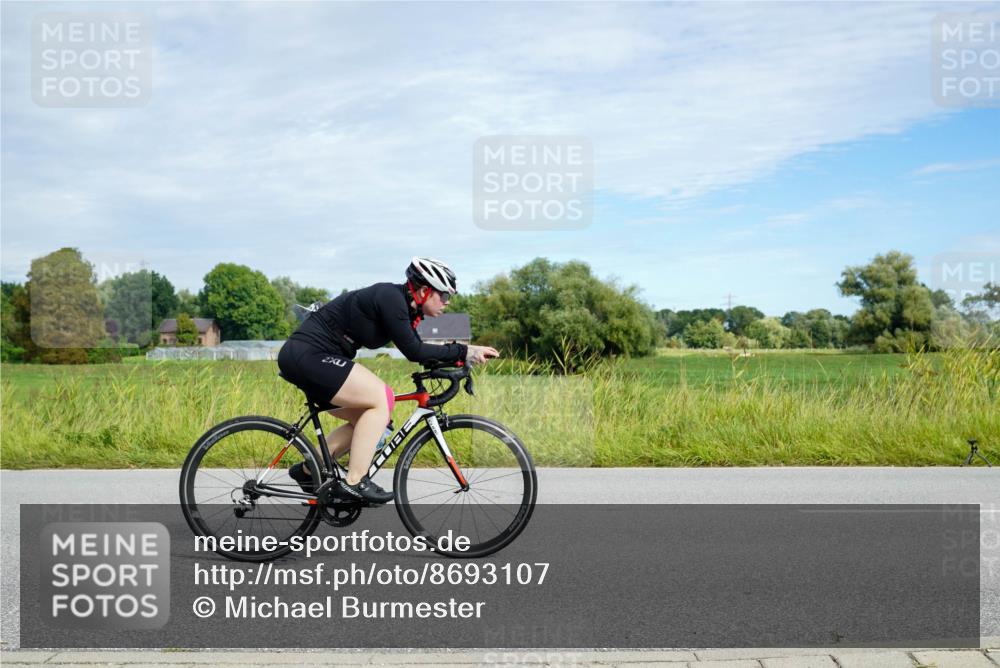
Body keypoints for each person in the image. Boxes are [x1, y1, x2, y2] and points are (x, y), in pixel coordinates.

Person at [276, 257, 499, 505]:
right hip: (309, 355)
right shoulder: (391, 299)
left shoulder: (406, 309)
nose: (447, 303)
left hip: (317, 358)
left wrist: (459, 361)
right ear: (425, 291)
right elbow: (414, 351)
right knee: (381, 398)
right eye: (444, 296)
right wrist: (464, 351)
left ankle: (308, 469)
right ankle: (354, 482)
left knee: (376, 423)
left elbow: (422, 349)